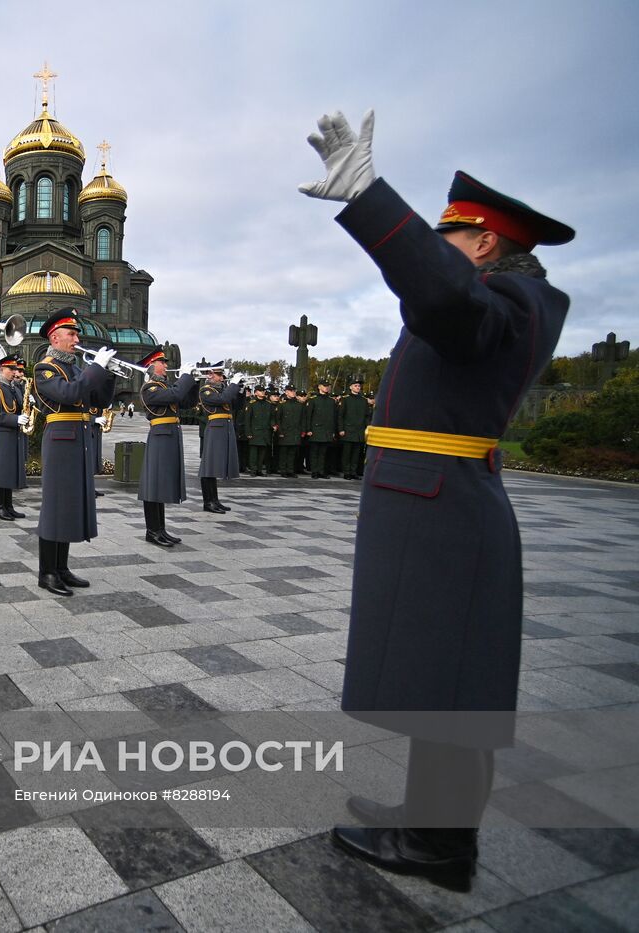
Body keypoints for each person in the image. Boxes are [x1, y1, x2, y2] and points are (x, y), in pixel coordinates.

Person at [299, 110, 574, 890]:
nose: (440, 252)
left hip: (444, 509)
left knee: (454, 690)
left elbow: (445, 299)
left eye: (450, 237)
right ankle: (428, 821)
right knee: (440, 679)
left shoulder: (502, 304)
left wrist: (373, 199)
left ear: (484, 242)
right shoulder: (495, 301)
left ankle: (440, 846)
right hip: (433, 505)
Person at [30, 313, 116, 596]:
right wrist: (95, 370)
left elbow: (100, 400)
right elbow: (69, 394)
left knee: (67, 505)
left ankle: (62, 568)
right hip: (60, 440)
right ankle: (47, 573)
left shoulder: (78, 369)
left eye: (77, 335)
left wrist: (108, 372)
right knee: (55, 505)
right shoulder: (46, 368)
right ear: (55, 337)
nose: (77, 340)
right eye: (72, 335)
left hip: (78, 439)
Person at [137, 349, 196, 547]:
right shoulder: (150, 389)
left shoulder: (164, 386)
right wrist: (185, 377)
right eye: (162, 363)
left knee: (160, 484)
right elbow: (176, 393)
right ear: (152, 366)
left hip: (170, 435)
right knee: (154, 485)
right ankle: (152, 531)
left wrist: (193, 380)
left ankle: (160, 530)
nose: (166, 366)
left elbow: (187, 401)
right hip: (160, 436)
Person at [0, 355, 28, 521]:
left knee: (9, 472)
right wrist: (15, 419)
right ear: (1, 370)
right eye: (11, 369)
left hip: (14, 435)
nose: (14, 372)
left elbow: (19, 407)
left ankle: (9, 506)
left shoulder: (14, 388)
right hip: (3, 436)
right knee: (1, 472)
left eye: (15, 369)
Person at [196, 364, 241, 513]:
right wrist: (233, 384)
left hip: (225, 427)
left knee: (214, 466)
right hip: (215, 428)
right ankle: (208, 502)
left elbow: (238, 404)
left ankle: (214, 500)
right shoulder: (206, 390)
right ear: (209, 375)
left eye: (221, 375)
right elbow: (223, 399)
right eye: (216, 374)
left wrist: (238, 388)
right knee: (209, 466)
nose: (220, 377)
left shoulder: (223, 389)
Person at [338, 377, 371, 480]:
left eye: (359, 386)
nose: (358, 387)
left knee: (357, 453)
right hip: (348, 430)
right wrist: (341, 429)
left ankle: (353, 471)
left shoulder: (363, 400)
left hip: (359, 431)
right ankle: (347, 472)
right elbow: (341, 415)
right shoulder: (345, 399)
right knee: (347, 453)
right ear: (350, 387)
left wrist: (367, 428)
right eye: (356, 386)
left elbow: (366, 416)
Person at [305, 380, 338, 478]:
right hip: (315, 430)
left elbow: (333, 417)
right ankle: (314, 471)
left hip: (327, 430)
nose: (326, 387)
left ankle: (321, 471)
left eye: (328, 386)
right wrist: (308, 429)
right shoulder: (313, 400)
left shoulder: (331, 401)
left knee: (323, 453)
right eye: (324, 386)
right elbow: (308, 416)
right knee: (315, 452)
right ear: (319, 387)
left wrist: (332, 431)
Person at [275, 385, 306, 477]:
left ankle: (290, 470)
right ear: (286, 392)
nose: (293, 392)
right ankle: (283, 470)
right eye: (290, 391)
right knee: (284, 453)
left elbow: (303, 419)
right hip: (284, 432)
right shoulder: (282, 404)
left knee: (292, 453)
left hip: (295, 432)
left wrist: (303, 431)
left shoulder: (299, 405)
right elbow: (278, 419)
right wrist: (280, 432)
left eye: (294, 391)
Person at [244, 384, 274, 476]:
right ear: (256, 392)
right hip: (255, 432)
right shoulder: (252, 404)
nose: (263, 392)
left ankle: (259, 470)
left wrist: (273, 425)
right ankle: (253, 470)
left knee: (262, 453)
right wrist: (248, 432)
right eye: (261, 391)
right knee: (254, 453)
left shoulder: (269, 404)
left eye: (264, 391)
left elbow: (272, 417)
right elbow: (248, 419)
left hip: (265, 432)